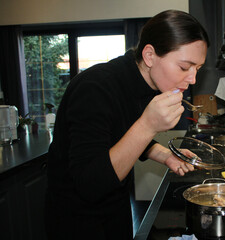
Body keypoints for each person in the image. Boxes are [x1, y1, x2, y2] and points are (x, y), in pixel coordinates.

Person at [44, 9, 210, 240]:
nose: (192, 79)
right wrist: (147, 125)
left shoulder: (145, 86)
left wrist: (165, 155)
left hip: (116, 209)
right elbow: (90, 184)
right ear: (150, 55)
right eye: (184, 67)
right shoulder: (95, 88)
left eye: (198, 69)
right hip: (77, 220)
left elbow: (120, 134)